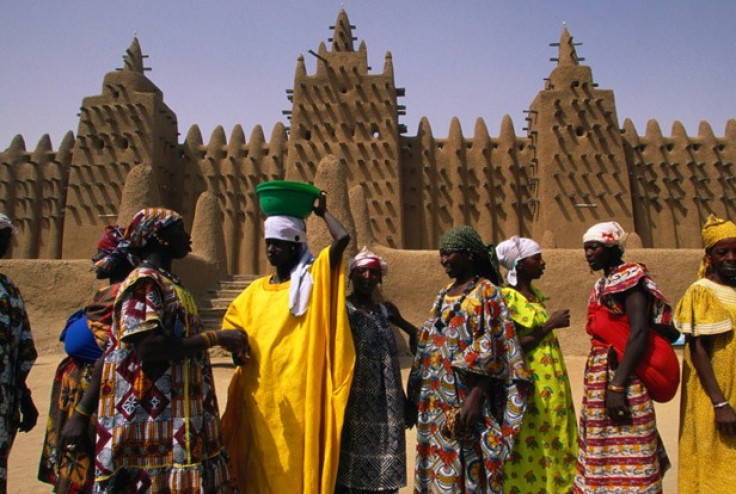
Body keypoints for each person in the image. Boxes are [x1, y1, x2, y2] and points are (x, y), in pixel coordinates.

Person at [63, 208, 249, 492]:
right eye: (179, 230)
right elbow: (148, 348)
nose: (188, 237)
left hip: (178, 421)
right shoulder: (144, 283)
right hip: (147, 425)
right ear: (158, 237)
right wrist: (216, 337)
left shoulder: (169, 284)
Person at [220, 192, 355, 493]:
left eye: (278, 244)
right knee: (259, 463)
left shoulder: (312, 279)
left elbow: (342, 239)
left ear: (297, 244)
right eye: (268, 243)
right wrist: (235, 352)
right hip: (261, 397)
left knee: (294, 464)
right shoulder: (255, 291)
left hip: (299, 394)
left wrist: (322, 214)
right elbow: (233, 326)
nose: (271, 250)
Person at [406, 225, 531, 494]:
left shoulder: (487, 293)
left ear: (470, 255)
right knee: (438, 465)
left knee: (470, 462)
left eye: (449, 254)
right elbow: (432, 341)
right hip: (436, 403)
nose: (444, 260)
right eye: (441, 254)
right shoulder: (443, 295)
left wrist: (476, 394)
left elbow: (496, 346)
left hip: (466, 401)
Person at [575, 221, 674, 494]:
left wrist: (618, 385)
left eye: (594, 247)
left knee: (630, 435)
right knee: (602, 441)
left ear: (612, 247)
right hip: (600, 378)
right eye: (586, 248)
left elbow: (639, 330)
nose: (588, 254)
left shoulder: (631, 277)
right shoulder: (603, 283)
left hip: (624, 377)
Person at [38, 225, 133, 493]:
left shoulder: (125, 295)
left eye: (101, 253)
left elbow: (111, 355)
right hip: (84, 396)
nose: (95, 259)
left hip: (96, 401)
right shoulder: (112, 293)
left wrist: (81, 411)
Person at [495, 236, 577, 493]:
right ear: (519, 264)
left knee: (556, 437)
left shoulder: (535, 296)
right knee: (532, 442)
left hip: (551, 382)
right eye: (536, 258)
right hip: (530, 384)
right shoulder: (507, 298)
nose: (542, 263)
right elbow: (511, 345)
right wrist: (549, 325)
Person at [336, 247, 417, 494]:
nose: (369, 277)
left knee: (386, 456)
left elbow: (415, 335)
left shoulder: (387, 311)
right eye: (362, 271)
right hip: (354, 401)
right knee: (350, 462)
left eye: (374, 272)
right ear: (351, 275)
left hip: (388, 404)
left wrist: (406, 399)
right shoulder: (342, 310)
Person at [674, 214, 736, 492]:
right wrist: (720, 403)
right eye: (723, 252)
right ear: (709, 256)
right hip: (718, 391)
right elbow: (697, 349)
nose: (731, 258)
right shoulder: (702, 291)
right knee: (716, 455)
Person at [0, 214, 38, 494]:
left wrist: (24, 396)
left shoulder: (9, 289)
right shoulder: (8, 290)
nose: (8, 242)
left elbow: (23, 350)